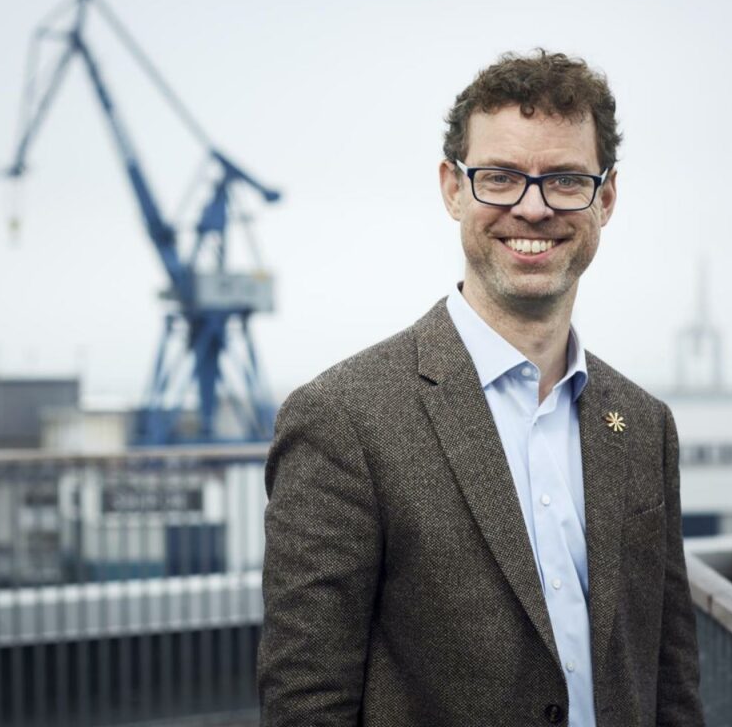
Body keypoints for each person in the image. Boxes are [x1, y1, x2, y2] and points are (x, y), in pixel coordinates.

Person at [257, 50, 703, 726]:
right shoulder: (344, 419)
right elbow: (306, 702)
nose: (532, 207)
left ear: (605, 198)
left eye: (564, 181)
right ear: (453, 188)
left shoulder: (643, 425)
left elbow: (669, 681)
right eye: (499, 178)